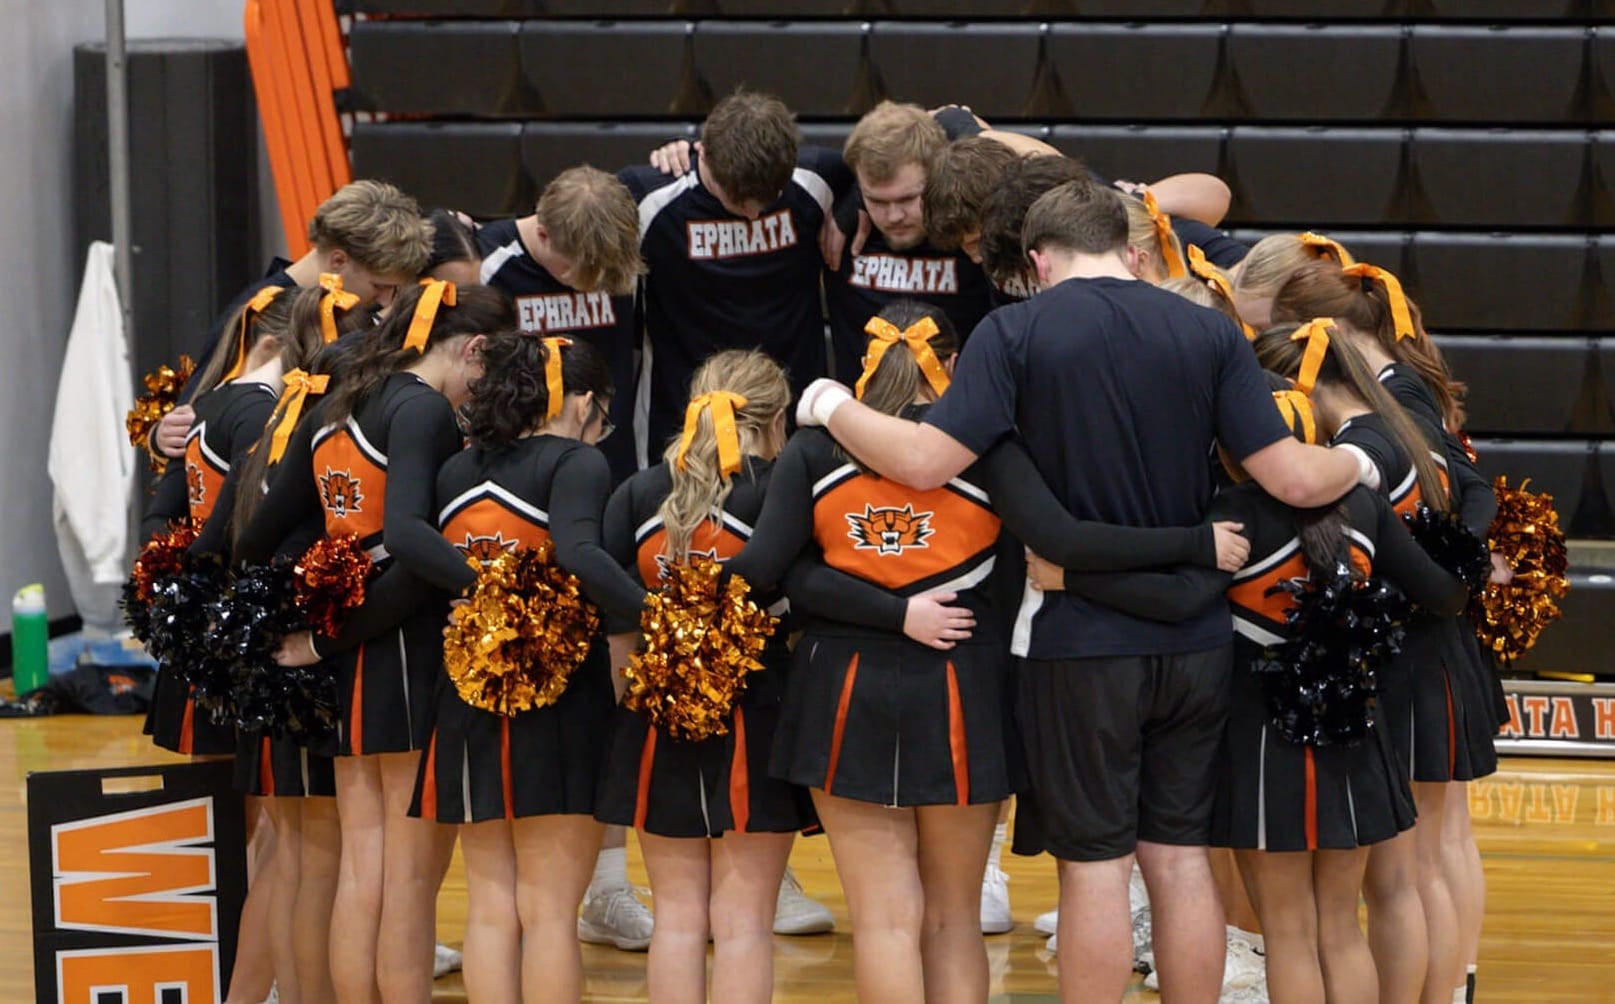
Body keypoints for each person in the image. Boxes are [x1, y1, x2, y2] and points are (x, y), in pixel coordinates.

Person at [790, 181, 1369, 1003]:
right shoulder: (1208, 331)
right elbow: (1289, 476)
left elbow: (923, 462)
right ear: (1130, 250)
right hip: (1195, 639)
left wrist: (830, 405)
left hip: (1078, 641)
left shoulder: (1012, 329)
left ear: (1036, 261)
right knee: (1177, 860)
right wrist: (1364, 458)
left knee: (1095, 868)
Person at [728, 299, 1251, 1003]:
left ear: (865, 363)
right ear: (951, 366)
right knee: (953, 918)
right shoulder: (994, 450)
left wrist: (883, 607)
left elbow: (768, 574)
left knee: (883, 922)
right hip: (962, 690)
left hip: (840, 690)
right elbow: (1051, 548)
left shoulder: (812, 450)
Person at [1026, 371, 1469, 1004]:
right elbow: (1444, 594)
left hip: (1266, 744)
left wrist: (1071, 579)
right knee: (1342, 928)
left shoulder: (1229, 513)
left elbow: (1178, 600)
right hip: (1355, 732)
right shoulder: (1364, 506)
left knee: (1288, 935)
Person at [235, 281, 513, 1001]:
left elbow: (261, 529)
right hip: (400, 638)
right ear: (473, 348)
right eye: (489, 370)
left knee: (366, 867)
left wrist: (308, 613)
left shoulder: (339, 400)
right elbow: (416, 550)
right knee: (408, 879)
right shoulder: (421, 410)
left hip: (355, 642)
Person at [596, 350, 841, 1002]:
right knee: (742, 927)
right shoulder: (779, 488)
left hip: (654, 719)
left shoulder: (637, 492)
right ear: (775, 418)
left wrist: (640, 700)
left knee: (675, 920)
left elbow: (619, 628)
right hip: (759, 715)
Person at [1254, 318, 1486, 1004]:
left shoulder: (1362, 451)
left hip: (1402, 666)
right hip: (1430, 652)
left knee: (1399, 875)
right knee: (1420, 866)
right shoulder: (1404, 423)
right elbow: (1475, 491)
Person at [410, 333, 643, 1003]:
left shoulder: (457, 470)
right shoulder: (576, 462)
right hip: (560, 699)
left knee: (489, 904)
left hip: (468, 693)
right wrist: (654, 614)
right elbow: (577, 552)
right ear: (579, 401)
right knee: (547, 914)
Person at [193, 285, 363, 1004]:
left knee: (288, 854)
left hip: (260, 648)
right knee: (314, 857)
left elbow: (214, 539)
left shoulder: (257, 414)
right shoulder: (314, 427)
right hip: (301, 652)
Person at [617, 89, 852, 462]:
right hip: (681, 420)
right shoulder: (647, 196)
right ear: (703, 155)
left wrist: (856, 208)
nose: (754, 216)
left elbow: (895, 155)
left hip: (791, 417)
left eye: (768, 199)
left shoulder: (819, 177)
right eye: (738, 201)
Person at [147, 180, 432, 462]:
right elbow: (190, 421)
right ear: (338, 260)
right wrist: (161, 437)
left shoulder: (340, 311)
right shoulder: (261, 315)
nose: (385, 301)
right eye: (379, 285)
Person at [477, 166, 648, 484]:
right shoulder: (488, 264)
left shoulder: (616, 256)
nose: (597, 283)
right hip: (523, 468)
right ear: (544, 234)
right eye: (578, 272)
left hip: (613, 461)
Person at [822, 101, 993, 383]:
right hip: (862, 419)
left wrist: (955, 121)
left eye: (908, 199)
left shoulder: (975, 232)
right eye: (876, 200)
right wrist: (852, 199)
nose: (893, 216)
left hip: (958, 419)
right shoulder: (835, 220)